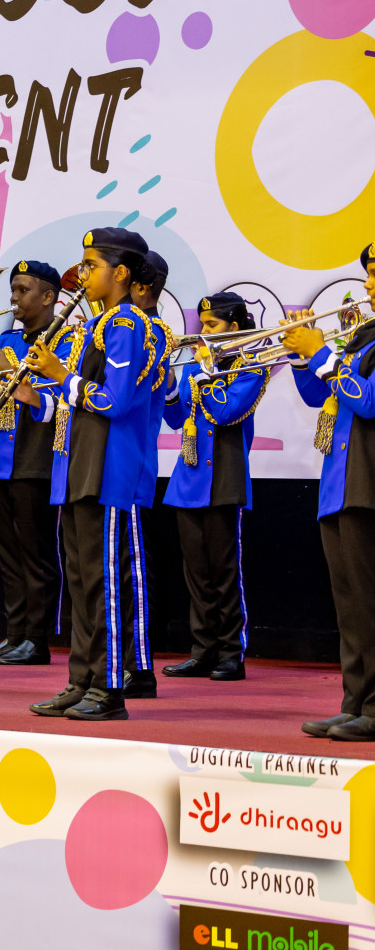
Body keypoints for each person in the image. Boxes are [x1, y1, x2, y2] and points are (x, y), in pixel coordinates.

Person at [19, 227, 153, 721]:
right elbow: (82, 401)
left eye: (92, 265)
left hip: (109, 467)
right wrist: (41, 398)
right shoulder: (101, 324)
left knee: (102, 583)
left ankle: (109, 687)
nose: (83, 273)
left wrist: (60, 375)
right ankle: (82, 680)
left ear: (120, 273)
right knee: (80, 583)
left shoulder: (128, 325)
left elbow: (112, 401)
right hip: (81, 465)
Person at [286, 244, 375, 741]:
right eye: (367, 275)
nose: (367, 285)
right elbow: (321, 394)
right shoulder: (364, 336)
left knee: (370, 602)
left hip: (369, 482)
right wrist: (305, 357)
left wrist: (321, 353)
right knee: (351, 606)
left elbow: (369, 402)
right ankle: (356, 701)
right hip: (342, 484)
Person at [161, 291, 264, 683]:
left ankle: (231, 653)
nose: (202, 332)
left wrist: (205, 376)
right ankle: (202, 650)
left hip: (223, 478)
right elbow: (174, 419)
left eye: (212, 326)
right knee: (197, 574)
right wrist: (171, 383)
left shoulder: (252, 368)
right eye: (202, 325)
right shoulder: (194, 368)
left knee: (224, 573)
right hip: (187, 481)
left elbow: (225, 413)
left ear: (234, 329)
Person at [0, 261, 65, 666]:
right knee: (7, 556)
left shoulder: (66, 338)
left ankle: (37, 640)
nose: (13, 297)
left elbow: (66, 390)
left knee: (36, 554)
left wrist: (8, 367)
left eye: (23, 290)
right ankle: (14, 635)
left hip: (35, 458)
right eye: (12, 289)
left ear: (48, 297)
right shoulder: (6, 336)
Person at [119, 249, 172, 699]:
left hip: (131, 463)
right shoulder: (118, 329)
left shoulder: (147, 331)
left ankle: (140, 665)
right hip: (104, 463)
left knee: (132, 568)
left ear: (138, 286)